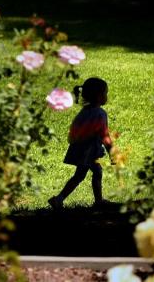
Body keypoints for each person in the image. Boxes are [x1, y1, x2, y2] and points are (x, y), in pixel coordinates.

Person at [48, 77, 114, 210]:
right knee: (85, 174)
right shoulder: (100, 114)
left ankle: (96, 201)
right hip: (89, 152)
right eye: (105, 93)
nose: (106, 96)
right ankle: (60, 199)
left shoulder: (85, 111)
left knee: (91, 173)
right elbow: (104, 135)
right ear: (98, 96)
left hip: (82, 149)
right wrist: (112, 153)